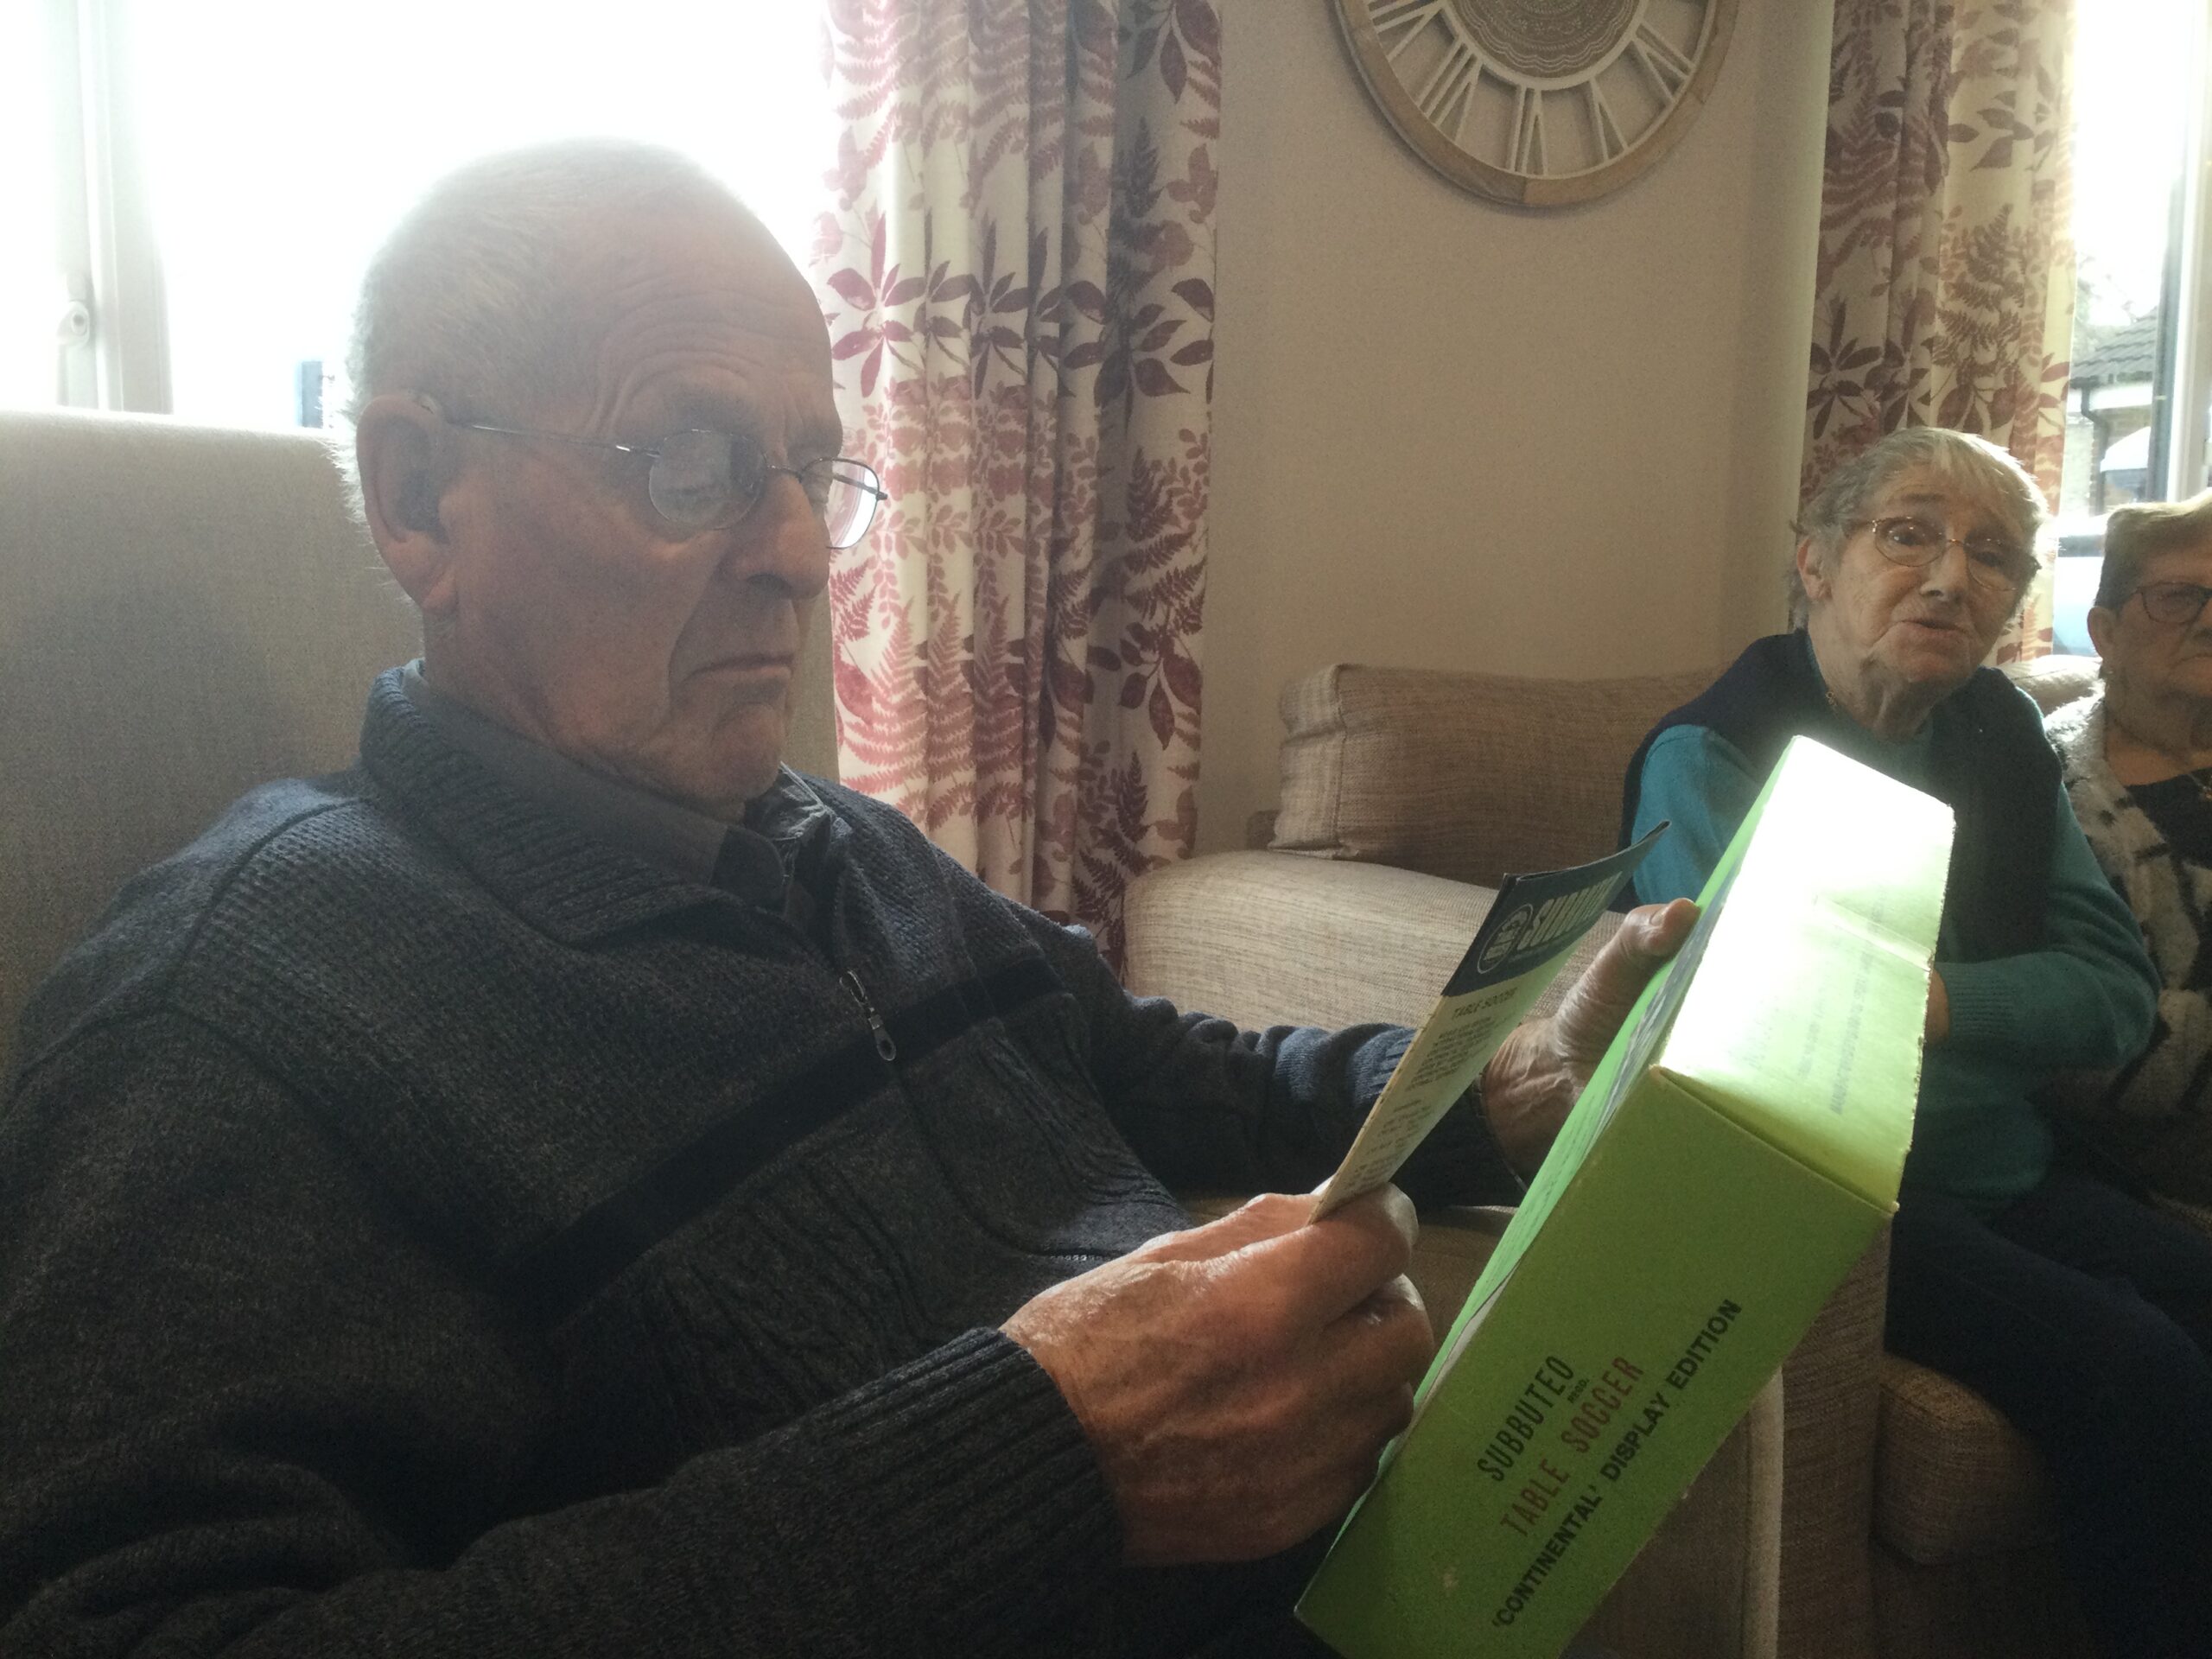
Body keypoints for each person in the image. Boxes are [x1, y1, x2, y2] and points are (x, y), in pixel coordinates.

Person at [0, 142, 1689, 1658]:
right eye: (689, 461)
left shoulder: (833, 844)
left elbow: (1159, 1069)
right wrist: (1039, 1459)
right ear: (420, 495)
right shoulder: (237, 1017)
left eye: (814, 471)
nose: (803, 554)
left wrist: (1498, 1091)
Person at [1622, 427, 2212, 1656]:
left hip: (2004, 1165)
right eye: (1907, 534)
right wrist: (1995, 1002)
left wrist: (1933, 1001)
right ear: (1816, 565)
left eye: (1990, 556)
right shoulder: (1713, 750)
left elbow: (2114, 990)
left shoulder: (1995, 734)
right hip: (1838, 1191)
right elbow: (1759, 1014)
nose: (1949, 577)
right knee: (2131, 1368)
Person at [2047, 490, 2212, 1207]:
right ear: (2105, 631)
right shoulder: (2050, 789)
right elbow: (2092, 1058)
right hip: (2157, 1177)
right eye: (2179, 597)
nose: (2210, 621)